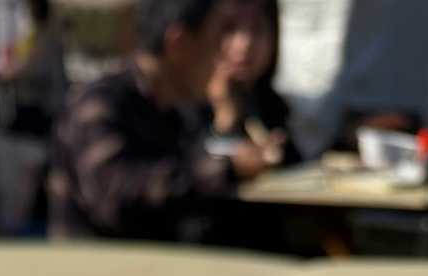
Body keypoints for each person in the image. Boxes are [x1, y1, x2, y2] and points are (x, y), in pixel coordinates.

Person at [49, 0, 270, 243]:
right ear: (179, 43)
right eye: (216, 40)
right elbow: (115, 197)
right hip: (99, 265)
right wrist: (227, 169)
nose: (222, 58)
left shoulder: (176, 113)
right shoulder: (100, 104)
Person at [0, 0, 68, 235]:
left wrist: (12, 74)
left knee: (34, 173)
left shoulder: (47, 38)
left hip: (43, 116)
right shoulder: (36, 37)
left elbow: (36, 71)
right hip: (37, 117)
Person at [206, 0, 298, 166]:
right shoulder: (184, 106)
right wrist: (225, 120)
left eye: (257, 29)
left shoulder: (271, 105)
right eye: (230, 28)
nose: (245, 44)